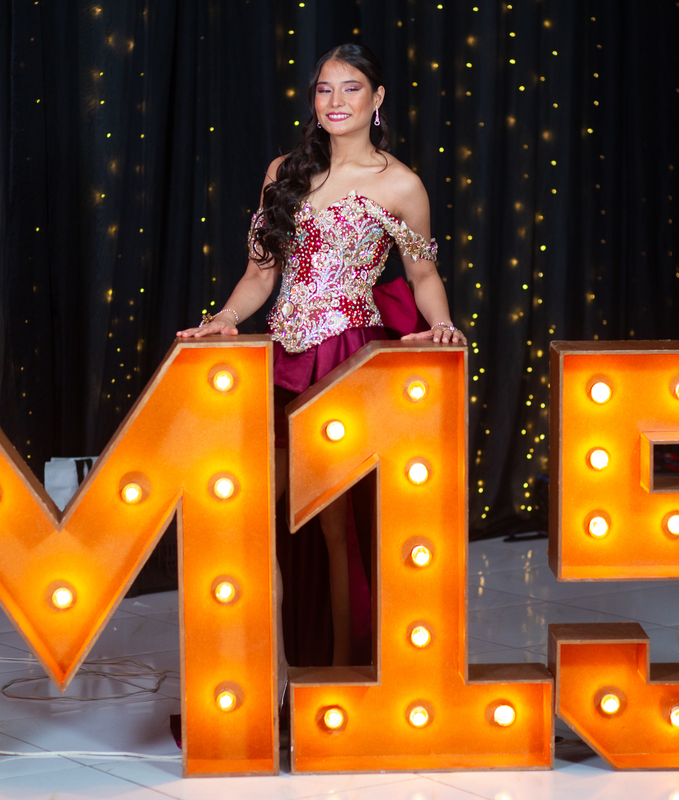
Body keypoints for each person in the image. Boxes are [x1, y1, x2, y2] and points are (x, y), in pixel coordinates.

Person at [177, 43, 466, 668]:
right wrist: (224, 318)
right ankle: (260, 677)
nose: (336, 101)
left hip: (347, 362)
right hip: (283, 361)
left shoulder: (399, 183)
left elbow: (422, 274)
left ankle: (340, 676)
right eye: (324, 89)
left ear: (377, 98)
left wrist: (442, 325)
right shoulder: (284, 171)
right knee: (252, 515)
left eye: (351, 88)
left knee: (338, 526)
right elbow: (260, 274)